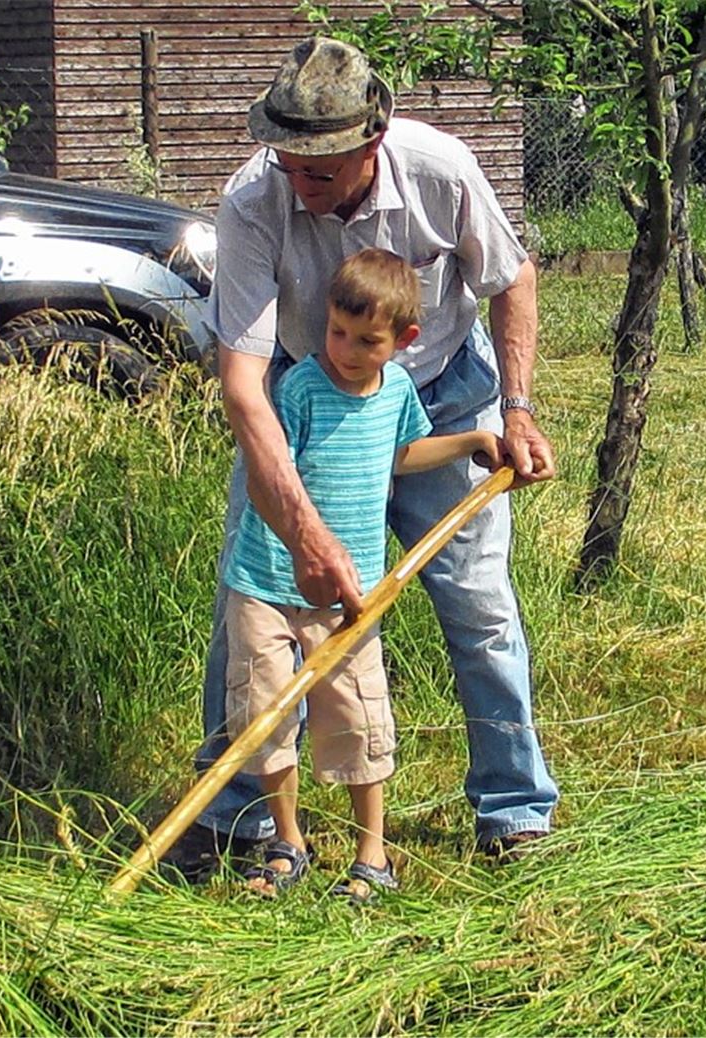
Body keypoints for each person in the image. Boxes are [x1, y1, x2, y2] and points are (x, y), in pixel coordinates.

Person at [166, 35, 558, 883]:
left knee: (480, 608)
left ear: (370, 146)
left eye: (318, 168)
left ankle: (513, 808)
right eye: (286, 161)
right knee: (252, 604)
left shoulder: (440, 171)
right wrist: (303, 534)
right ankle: (237, 820)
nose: (296, 181)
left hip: (440, 397)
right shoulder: (252, 202)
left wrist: (515, 412)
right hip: (302, 409)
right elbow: (243, 383)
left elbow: (511, 279)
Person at [226, 248, 503, 901]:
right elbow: (272, 472)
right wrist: (295, 547)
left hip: (351, 595)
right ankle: (287, 840)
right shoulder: (300, 390)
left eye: (366, 340)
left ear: (403, 341)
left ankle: (371, 853)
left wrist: (471, 443)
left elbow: (401, 454)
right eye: (337, 333)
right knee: (265, 712)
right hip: (267, 580)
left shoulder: (398, 393)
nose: (346, 350)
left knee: (358, 715)